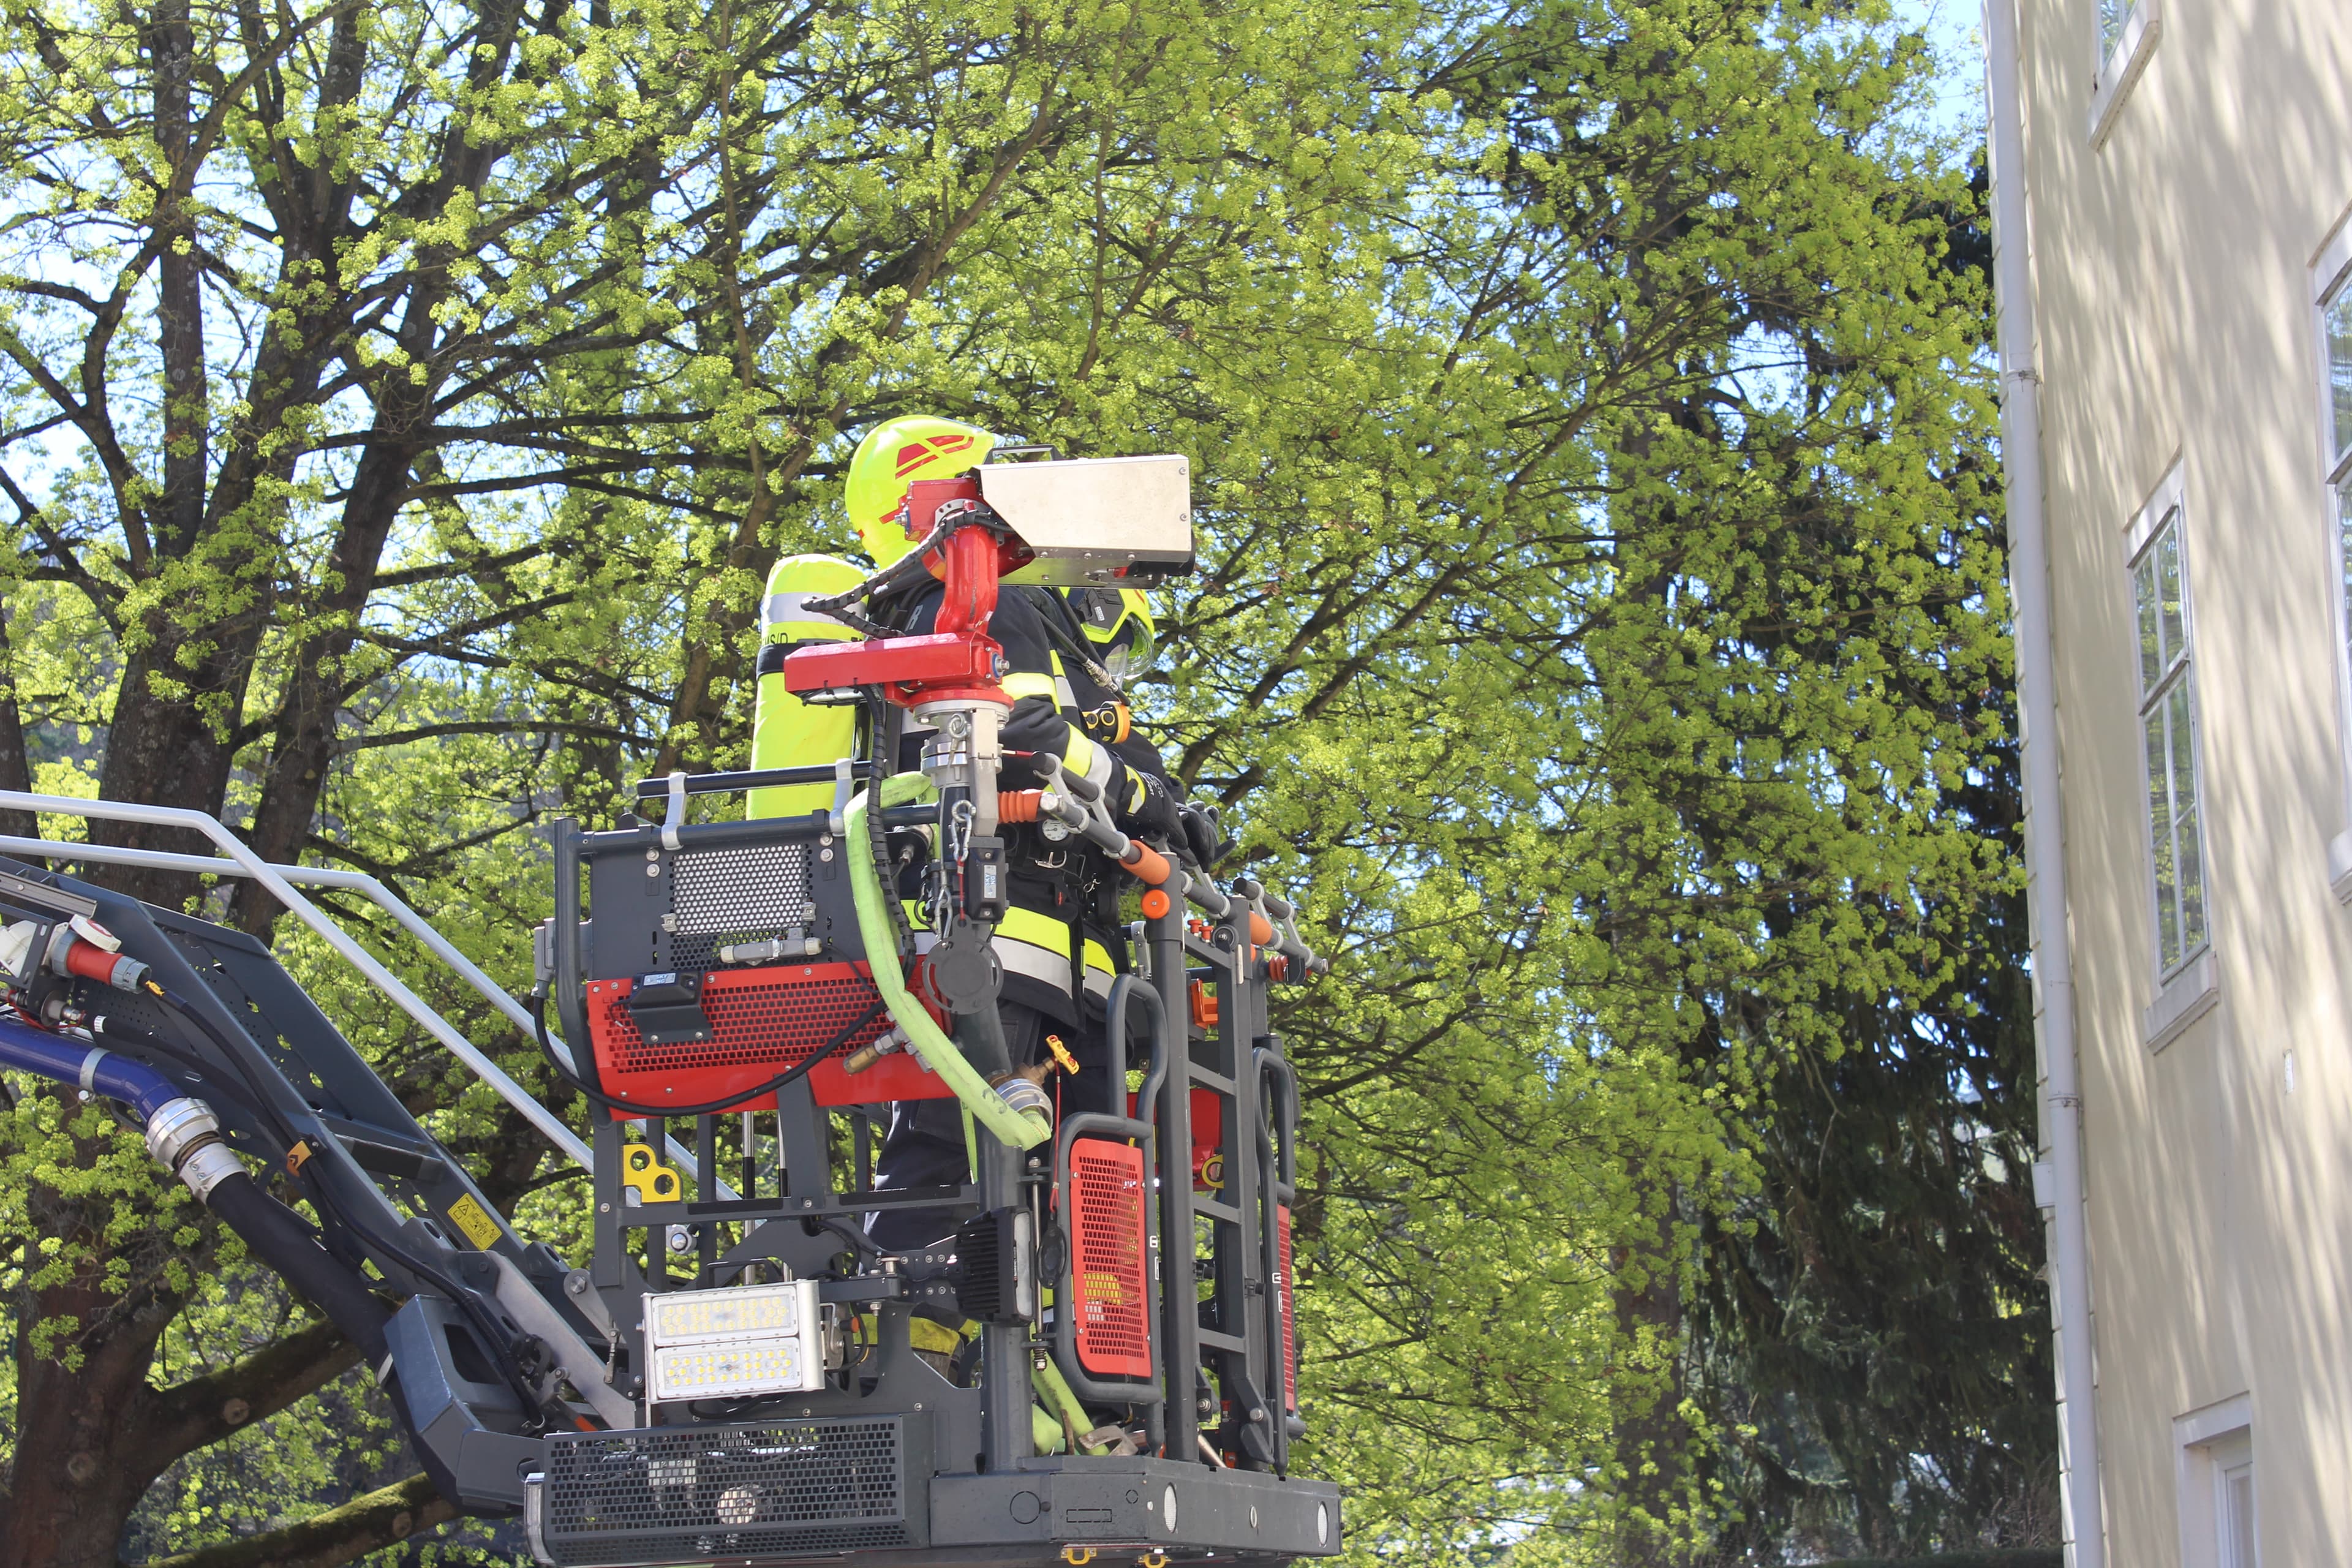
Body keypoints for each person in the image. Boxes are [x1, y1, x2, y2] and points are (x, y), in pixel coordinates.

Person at [836, 415, 1218, 1250]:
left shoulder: (1013, 613)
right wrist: (1143, 798)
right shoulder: (983, 597)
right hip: (995, 941)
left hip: (1065, 963)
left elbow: (1093, 746)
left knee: (1092, 1189)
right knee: (954, 1161)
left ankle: (1074, 1347)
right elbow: (1029, 734)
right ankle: (929, 1336)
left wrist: (1170, 818)